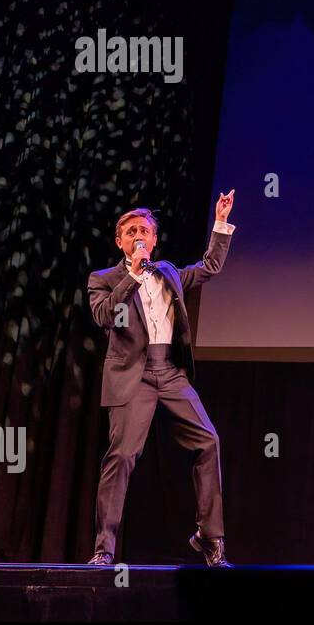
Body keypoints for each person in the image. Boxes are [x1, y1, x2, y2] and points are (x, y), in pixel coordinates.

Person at [85, 192, 236, 567]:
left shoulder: (169, 272)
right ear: (121, 241)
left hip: (170, 372)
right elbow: (106, 316)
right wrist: (133, 274)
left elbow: (210, 267)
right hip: (132, 377)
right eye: (131, 231)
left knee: (208, 441)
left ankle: (209, 537)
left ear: (154, 240)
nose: (139, 236)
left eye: (145, 231)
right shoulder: (102, 279)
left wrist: (220, 221)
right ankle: (104, 548)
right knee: (121, 457)